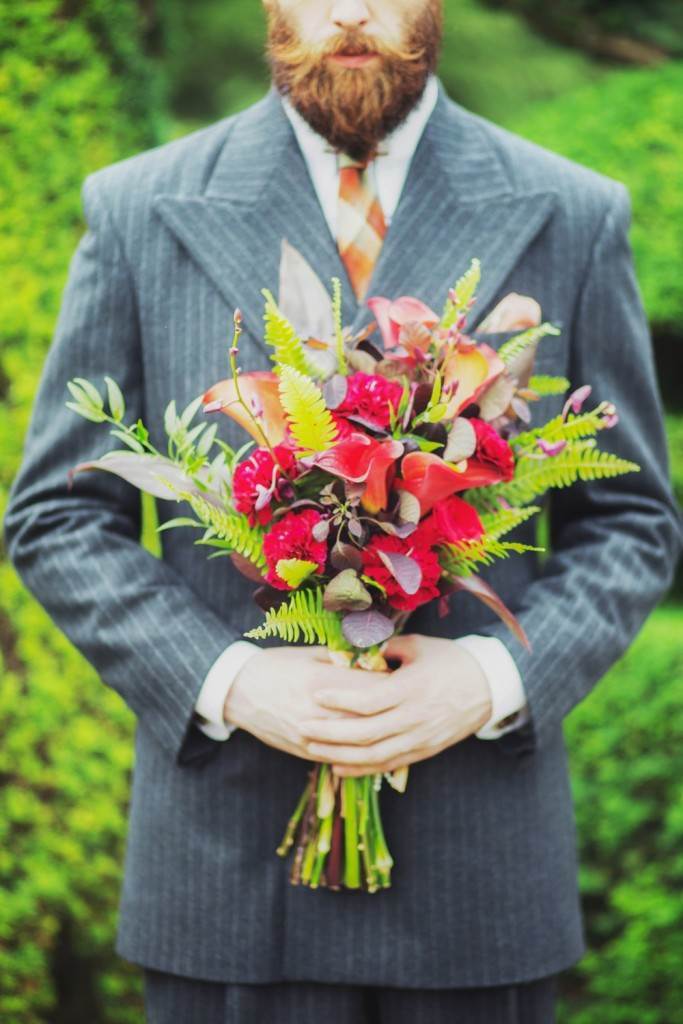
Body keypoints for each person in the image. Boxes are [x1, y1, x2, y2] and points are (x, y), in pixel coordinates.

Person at [4, 1, 681, 1021]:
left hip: (477, 881)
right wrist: (228, 681)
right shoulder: (139, 208)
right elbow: (59, 518)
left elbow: (629, 521)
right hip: (225, 874)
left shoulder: (571, 209)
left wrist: (495, 675)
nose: (352, 11)